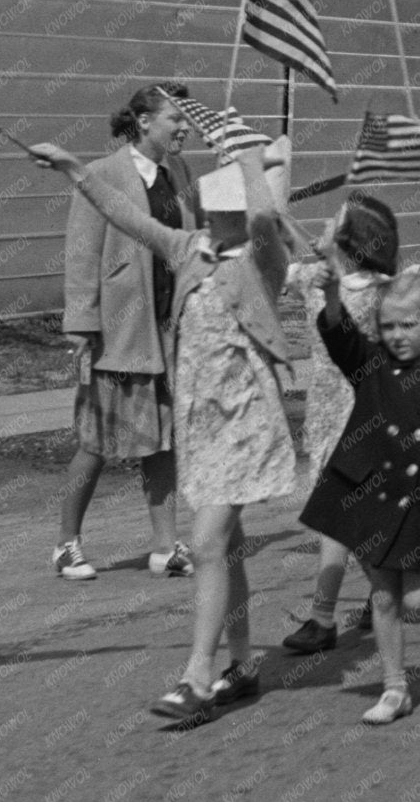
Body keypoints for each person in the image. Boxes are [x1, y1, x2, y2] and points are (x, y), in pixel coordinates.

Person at [31, 134, 297, 727]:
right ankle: (244, 663)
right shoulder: (190, 249)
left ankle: (197, 676)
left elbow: (264, 223)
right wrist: (75, 168)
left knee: (204, 545)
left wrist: (254, 167)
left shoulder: (262, 262)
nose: (214, 214)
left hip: (246, 427)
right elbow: (124, 213)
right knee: (225, 547)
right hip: (201, 426)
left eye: (225, 208)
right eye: (214, 206)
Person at [301, 264, 420, 724]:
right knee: (384, 596)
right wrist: (331, 296)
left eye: (409, 324)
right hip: (373, 496)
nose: (397, 335)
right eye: (388, 326)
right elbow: (341, 339)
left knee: (418, 600)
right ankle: (394, 687)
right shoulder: (373, 365)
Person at [54, 83, 202, 582]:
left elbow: (189, 243)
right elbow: (81, 253)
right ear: (143, 121)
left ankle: (165, 547)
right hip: (116, 332)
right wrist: (82, 323)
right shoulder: (102, 174)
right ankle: (65, 544)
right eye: (175, 118)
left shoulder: (180, 171)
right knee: (97, 441)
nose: (185, 127)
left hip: (165, 332)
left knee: (161, 440)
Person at [281, 193, 398, 655]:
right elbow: (303, 255)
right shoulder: (340, 280)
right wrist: (281, 220)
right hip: (335, 408)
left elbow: (293, 264)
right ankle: (382, 594)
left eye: (334, 222)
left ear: (351, 240)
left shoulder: (364, 289)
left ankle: (326, 616)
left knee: (339, 512)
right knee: (348, 513)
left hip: (355, 410)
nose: (324, 226)